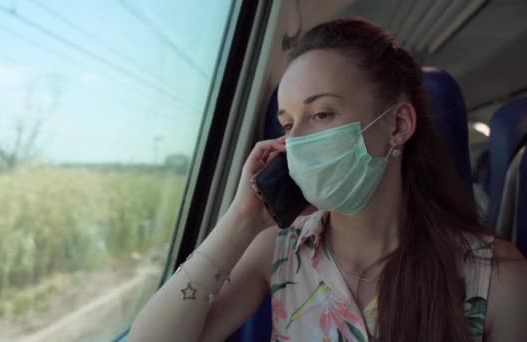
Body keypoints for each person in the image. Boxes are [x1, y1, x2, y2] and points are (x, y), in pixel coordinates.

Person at [129, 18, 526, 342]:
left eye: (321, 114)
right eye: (287, 124)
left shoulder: (497, 279)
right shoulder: (280, 251)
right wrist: (241, 219)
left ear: (398, 126)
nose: (295, 141)